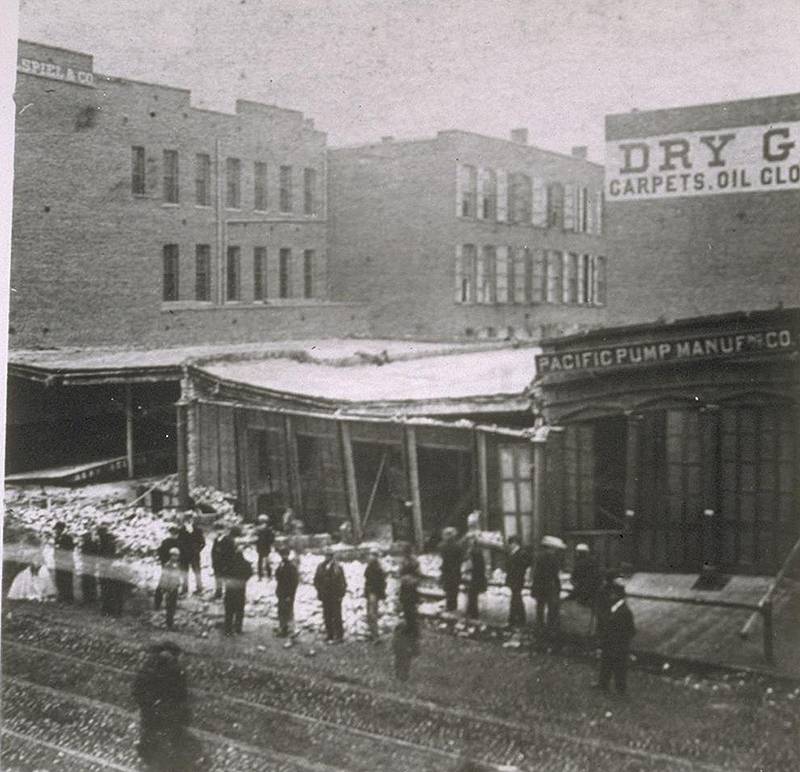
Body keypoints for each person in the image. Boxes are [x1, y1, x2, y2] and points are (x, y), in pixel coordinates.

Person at [133, 641, 201, 770]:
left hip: (155, 716)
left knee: (156, 745)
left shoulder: (149, 669)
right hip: (169, 715)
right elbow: (181, 694)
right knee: (171, 743)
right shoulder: (175, 671)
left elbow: (139, 692)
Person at [594, 581, 636, 695]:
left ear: (616, 595)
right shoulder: (616, 608)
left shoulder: (624, 611)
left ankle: (620, 689)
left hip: (618, 643)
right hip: (611, 642)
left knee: (619, 666)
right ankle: (604, 684)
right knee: (606, 663)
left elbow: (631, 630)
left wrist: (619, 639)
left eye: (612, 593)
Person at [531, 535, 565, 650]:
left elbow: (536, 575)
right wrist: (558, 587)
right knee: (552, 610)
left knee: (540, 609)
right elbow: (555, 575)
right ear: (551, 548)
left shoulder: (539, 557)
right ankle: (551, 633)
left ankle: (539, 631)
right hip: (550, 588)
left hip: (540, 588)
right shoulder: (553, 559)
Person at [313, 547, 347, 643]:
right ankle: (330, 634)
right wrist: (319, 591)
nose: (328, 557)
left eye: (330, 555)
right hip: (325, 595)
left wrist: (341, 594)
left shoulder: (338, 568)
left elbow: (343, 582)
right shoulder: (321, 567)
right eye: (326, 555)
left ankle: (339, 636)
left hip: (335, 596)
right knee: (327, 615)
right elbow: (316, 580)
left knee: (336, 616)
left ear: (332, 556)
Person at [7, 536, 56, 601]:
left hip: (34, 571)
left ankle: (36, 595)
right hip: (30, 570)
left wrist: (35, 567)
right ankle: (33, 594)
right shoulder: (32, 552)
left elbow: (36, 563)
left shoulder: (34, 552)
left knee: (36, 581)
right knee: (27, 580)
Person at [223, 534, 252, 636]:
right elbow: (249, 573)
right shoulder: (246, 563)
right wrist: (243, 580)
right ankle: (238, 628)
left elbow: (224, 573)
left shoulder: (229, 561)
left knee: (229, 610)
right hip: (240, 587)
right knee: (239, 609)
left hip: (231, 587)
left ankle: (228, 629)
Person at [274, 546, 299, 643]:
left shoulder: (291, 567)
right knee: (281, 611)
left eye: (285, 554)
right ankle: (283, 629)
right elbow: (277, 577)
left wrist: (290, 595)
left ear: (288, 555)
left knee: (288, 612)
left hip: (287, 594)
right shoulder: (281, 565)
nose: (283, 556)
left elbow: (294, 582)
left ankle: (292, 631)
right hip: (281, 592)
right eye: (282, 554)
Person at [155, 524, 182, 610]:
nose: (173, 535)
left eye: (175, 533)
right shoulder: (166, 542)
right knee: (163, 584)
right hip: (168, 566)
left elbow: (184, 555)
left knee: (172, 585)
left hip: (174, 567)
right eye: (172, 533)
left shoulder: (179, 543)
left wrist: (178, 563)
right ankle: (158, 604)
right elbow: (160, 553)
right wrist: (165, 562)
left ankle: (170, 605)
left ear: (177, 534)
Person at [177, 513, 205, 595]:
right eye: (187, 520)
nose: (189, 522)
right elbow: (178, 542)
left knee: (197, 572)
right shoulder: (181, 530)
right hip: (184, 555)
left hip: (194, 555)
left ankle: (199, 588)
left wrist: (197, 550)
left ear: (192, 520)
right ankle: (184, 589)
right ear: (184, 521)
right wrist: (182, 550)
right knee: (184, 572)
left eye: (190, 520)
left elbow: (203, 543)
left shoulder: (197, 530)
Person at [505, 535, 528, 629]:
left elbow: (522, 567)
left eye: (511, 543)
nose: (510, 545)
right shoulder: (514, 553)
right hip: (514, 580)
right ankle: (518, 619)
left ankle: (514, 619)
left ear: (515, 543)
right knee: (516, 599)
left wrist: (518, 577)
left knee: (516, 599)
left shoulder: (521, 553)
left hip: (517, 580)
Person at [364, 548, 387, 642]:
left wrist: (380, 593)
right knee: (370, 614)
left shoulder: (378, 569)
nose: (370, 557)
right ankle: (372, 633)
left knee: (372, 613)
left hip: (374, 593)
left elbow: (382, 582)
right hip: (370, 592)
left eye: (372, 555)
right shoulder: (370, 567)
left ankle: (376, 636)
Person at [438, 527, 462, 614]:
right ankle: (453, 607)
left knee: (448, 589)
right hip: (455, 570)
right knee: (454, 589)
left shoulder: (442, 546)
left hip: (446, 570)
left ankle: (449, 606)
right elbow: (461, 558)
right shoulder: (458, 546)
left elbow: (441, 558)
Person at [159, 548, 183, 630]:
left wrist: (178, 584)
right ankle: (168, 624)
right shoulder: (167, 565)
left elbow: (178, 576)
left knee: (173, 606)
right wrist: (164, 588)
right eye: (173, 555)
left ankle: (171, 623)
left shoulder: (177, 565)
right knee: (169, 606)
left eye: (176, 556)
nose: (175, 557)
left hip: (175, 588)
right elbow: (164, 577)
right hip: (169, 588)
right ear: (170, 556)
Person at [96, 524, 118, 616]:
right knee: (107, 589)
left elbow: (107, 556)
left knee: (107, 590)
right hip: (106, 568)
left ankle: (108, 609)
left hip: (107, 568)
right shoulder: (106, 542)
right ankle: (107, 609)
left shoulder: (107, 543)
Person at [464, 537, 487, 621]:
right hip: (478, 576)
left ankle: (473, 613)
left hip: (474, 576)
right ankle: (471, 611)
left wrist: (467, 570)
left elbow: (470, 565)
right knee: (472, 595)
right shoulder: (479, 552)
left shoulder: (472, 553)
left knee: (472, 595)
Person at [210, 521, 234, 600]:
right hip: (217, 563)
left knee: (227, 579)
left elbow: (230, 553)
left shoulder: (228, 540)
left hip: (225, 563)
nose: (219, 531)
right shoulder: (216, 540)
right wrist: (213, 562)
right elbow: (213, 552)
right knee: (218, 579)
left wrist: (228, 564)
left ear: (224, 530)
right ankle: (218, 593)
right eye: (217, 530)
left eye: (221, 529)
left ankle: (228, 594)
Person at [52, 521, 75, 603]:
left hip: (66, 561)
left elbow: (70, 549)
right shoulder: (57, 537)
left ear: (61, 529)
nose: (56, 531)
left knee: (67, 579)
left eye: (57, 529)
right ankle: (62, 595)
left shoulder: (67, 537)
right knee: (59, 579)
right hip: (59, 561)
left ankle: (68, 597)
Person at [79, 527, 99, 604]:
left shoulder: (88, 545)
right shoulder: (91, 544)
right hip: (89, 564)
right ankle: (90, 598)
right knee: (89, 582)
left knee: (88, 582)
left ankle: (89, 598)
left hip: (89, 564)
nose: (83, 538)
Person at [255, 514, 275, 580]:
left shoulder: (258, 530)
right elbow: (272, 539)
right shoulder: (269, 529)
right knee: (267, 561)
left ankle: (260, 576)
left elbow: (256, 539)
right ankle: (269, 575)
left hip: (260, 547)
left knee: (260, 561)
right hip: (266, 547)